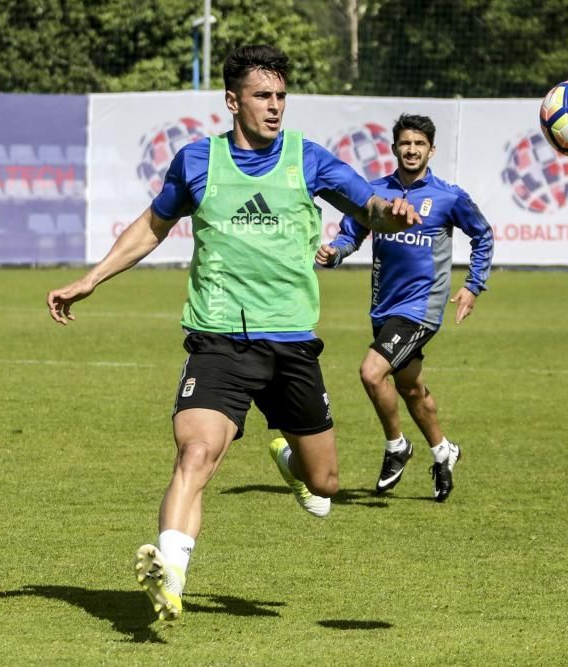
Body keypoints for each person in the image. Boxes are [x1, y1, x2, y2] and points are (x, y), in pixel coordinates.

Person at [46, 45, 420, 623]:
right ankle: (170, 575)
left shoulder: (307, 158)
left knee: (324, 484)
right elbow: (151, 226)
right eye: (261, 96)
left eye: (280, 97)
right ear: (232, 100)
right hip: (218, 339)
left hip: (292, 343)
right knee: (196, 452)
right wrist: (93, 278)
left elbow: (365, 202)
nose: (274, 108)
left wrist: (387, 212)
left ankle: (291, 462)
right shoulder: (196, 162)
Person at [315, 113, 493, 503]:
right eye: (405, 143)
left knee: (371, 372)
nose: (412, 150)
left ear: (431, 149)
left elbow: (483, 234)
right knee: (411, 389)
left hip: (422, 308)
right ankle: (444, 450)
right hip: (384, 308)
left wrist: (472, 286)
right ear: (394, 148)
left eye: (419, 144)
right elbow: (351, 233)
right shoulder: (375, 192)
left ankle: (397, 445)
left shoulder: (449, 196)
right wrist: (335, 253)